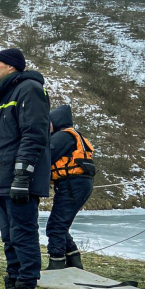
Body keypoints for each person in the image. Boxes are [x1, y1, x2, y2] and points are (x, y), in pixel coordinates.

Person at [0, 48, 50, 289]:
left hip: (18, 182)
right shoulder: (3, 97)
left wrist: (22, 176)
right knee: (9, 239)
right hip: (1, 182)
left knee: (23, 237)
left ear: (11, 66)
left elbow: (34, 135)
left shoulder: (29, 89)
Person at [45, 104, 95, 270]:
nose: (48, 125)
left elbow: (46, 156)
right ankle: (74, 261)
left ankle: (56, 264)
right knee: (60, 224)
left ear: (57, 121)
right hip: (78, 183)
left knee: (56, 226)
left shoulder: (62, 137)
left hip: (73, 184)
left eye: (50, 122)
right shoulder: (72, 136)